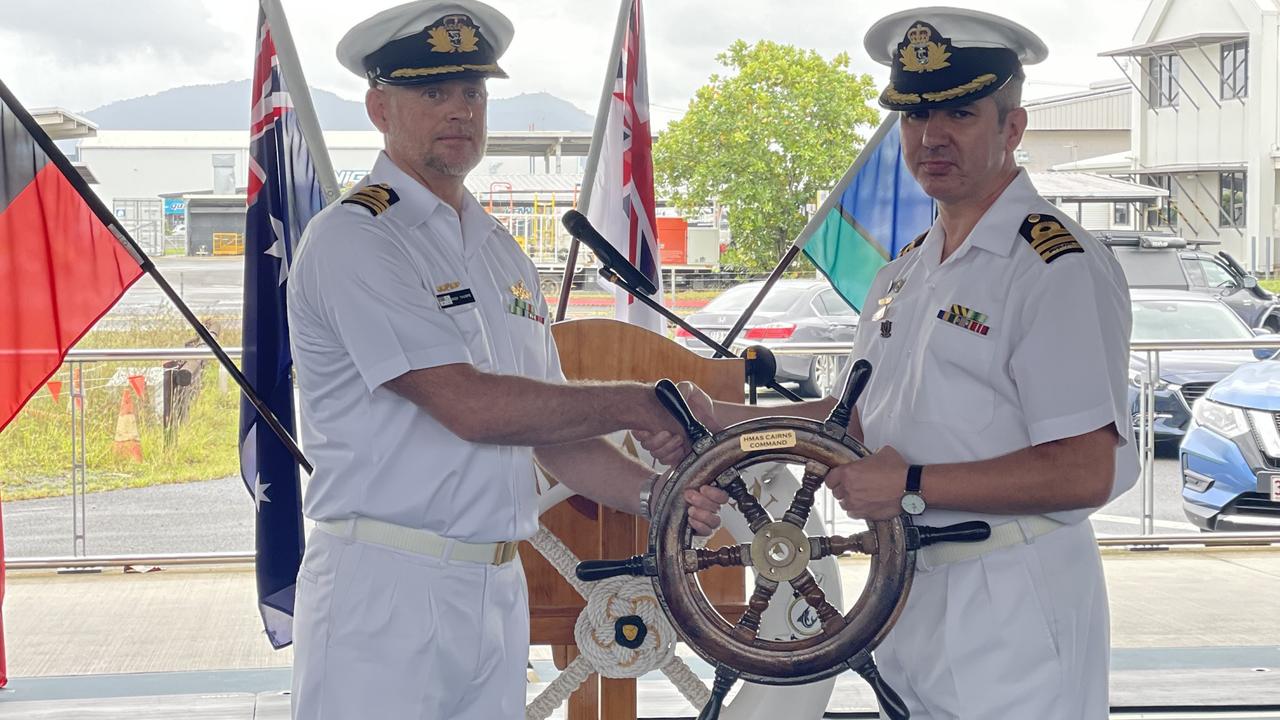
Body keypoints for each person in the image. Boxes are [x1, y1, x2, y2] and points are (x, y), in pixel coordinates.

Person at [641, 8, 1139, 719]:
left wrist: (905, 483)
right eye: (914, 117)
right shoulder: (907, 270)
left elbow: (1085, 469)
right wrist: (725, 422)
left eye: (960, 114)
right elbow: (861, 418)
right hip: (905, 590)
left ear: (1012, 127)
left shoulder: (1052, 267)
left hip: (1011, 597)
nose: (931, 137)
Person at [286, 2, 680, 717]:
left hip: (498, 587)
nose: (459, 110)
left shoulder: (499, 251)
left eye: (473, 92)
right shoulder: (359, 238)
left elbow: (551, 435)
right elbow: (470, 406)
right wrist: (637, 400)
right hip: (387, 588)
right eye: (433, 92)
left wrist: (668, 500)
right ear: (379, 106)